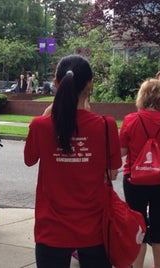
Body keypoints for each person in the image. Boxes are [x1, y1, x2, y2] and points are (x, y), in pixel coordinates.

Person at [24, 55, 120, 267]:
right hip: (95, 229)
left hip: (51, 229)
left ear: (56, 83)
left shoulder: (40, 126)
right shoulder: (106, 126)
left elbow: (29, 160)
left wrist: (47, 114)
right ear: (90, 83)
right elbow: (112, 173)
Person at [119, 79, 160, 268]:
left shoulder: (131, 120)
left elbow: (121, 152)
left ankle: (137, 266)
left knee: (138, 224)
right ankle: (158, 266)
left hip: (134, 180)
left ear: (142, 97)